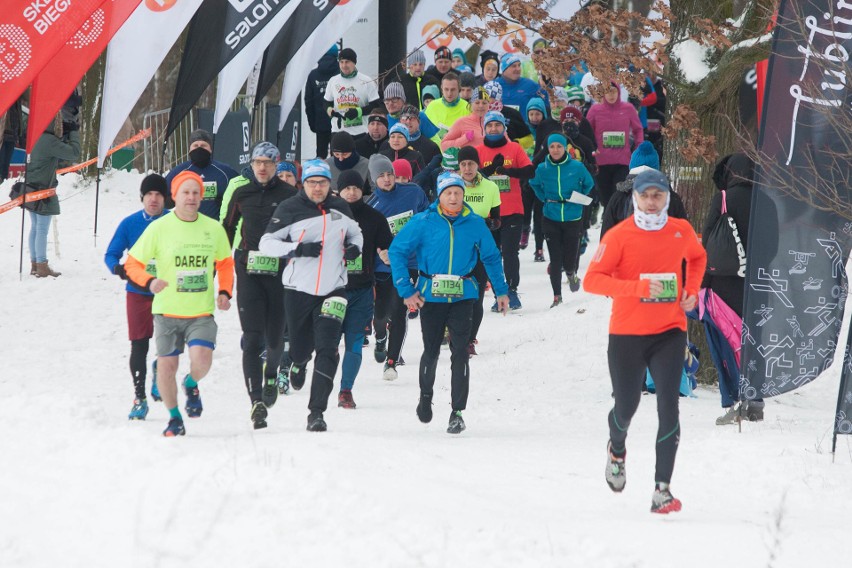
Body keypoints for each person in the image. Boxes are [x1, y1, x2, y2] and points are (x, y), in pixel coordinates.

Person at [583, 168, 706, 514]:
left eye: (658, 195)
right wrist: (636, 288)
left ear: (667, 197)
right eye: (645, 196)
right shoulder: (619, 235)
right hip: (627, 335)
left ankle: (661, 490)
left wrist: (691, 291)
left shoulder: (680, 231)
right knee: (627, 406)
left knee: (669, 407)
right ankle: (617, 449)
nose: (652, 203)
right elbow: (592, 280)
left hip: (669, 331)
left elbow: (697, 258)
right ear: (634, 197)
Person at [389, 172, 509, 434]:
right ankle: (425, 396)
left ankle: (457, 412)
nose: (453, 197)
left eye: (457, 193)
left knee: (460, 351)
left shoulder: (475, 223)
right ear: (439, 196)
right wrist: (406, 289)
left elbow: (490, 257)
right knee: (431, 350)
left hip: (463, 295)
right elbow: (397, 250)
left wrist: (501, 291)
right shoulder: (423, 221)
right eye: (448, 193)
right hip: (430, 295)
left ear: (463, 195)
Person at [124, 171, 235, 437]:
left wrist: (225, 291)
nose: (191, 197)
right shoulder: (159, 228)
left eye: (196, 193)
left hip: (200, 312)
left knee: (202, 360)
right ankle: (174, 417)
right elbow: (132, 263)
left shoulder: (213, 228)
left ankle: (191, 382)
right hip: (166, 312)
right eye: (186, 192)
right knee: (166, 366)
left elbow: (225, 262)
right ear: (174, 196)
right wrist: (149, 281)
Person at [259, 160, 363, 432]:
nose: (317, 188)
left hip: (334, 290)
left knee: (328, 349)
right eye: (312, 182)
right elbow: (266, 244)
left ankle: (316, 412)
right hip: (298, 290)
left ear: (330, 184)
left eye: (323, 183)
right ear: (302, 184)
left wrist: (354, 247)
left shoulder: (340, 207)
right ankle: (299, 362)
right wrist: (298, 249)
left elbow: (356, 233)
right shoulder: (290, 209)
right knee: (301, 348)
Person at [221, 141, 299, 430]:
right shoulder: (242, 193)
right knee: (253, 339)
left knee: (276, 339)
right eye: (258, 162)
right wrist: (220, 269)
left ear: (277, 165)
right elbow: (226, 232)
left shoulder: (291, 195)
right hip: (249, 272)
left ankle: (272, 374)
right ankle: (256, 402)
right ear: (251, 165)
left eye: (268, 162)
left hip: (280, 276)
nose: (263, 167)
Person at [702, 153, 769, 425]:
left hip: (725, 282)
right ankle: (756, 399)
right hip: (757, 282)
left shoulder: (723, 198)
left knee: (729, 339)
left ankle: (735, 399)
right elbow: (774, 243)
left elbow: (708, 237)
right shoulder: (767, 200)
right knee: (754, 339)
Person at [104, 174, 170, 420]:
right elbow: (111, 254)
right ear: (142, 198)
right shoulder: (130, 223)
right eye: (149, 195)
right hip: (138, 292)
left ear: (165, 198)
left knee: (170, 343)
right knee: (139, 345)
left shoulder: (173, 221)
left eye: (158, 195)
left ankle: (160, 369)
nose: (153, 199)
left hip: (167, 290)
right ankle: (139, 397)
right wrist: (119, 269)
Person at [367, 154, 431, 380]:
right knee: (381, 313)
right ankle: (381, 335)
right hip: (383, 267)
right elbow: (367, 237)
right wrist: (380, 251)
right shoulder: (371, 205)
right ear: (374, 180)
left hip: (410, 263)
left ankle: (392, 361)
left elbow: (428, 215)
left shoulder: (413, 192)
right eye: (381, 176)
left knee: (399, 310)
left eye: (389, 174)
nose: (386, 179)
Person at [334, 169, 393, 409]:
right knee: (327, 343)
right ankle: (323, 381)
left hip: (362, 291)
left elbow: (387, 246)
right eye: (347, 188)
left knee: (355, 341)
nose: (351, 192)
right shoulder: (328, 216)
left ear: (362, 190)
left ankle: (346, 390)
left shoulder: (374, 217)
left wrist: (387, 254)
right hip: (331, 290)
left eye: (356, 188)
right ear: (339, 190)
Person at [476, 111, 534, 310]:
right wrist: (492, 168)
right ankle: (498, 294)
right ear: (484, 128)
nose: (493, 129)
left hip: (512, 209)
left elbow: (530, 171)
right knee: (491, 255)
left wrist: (508, 171)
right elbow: (473, 178)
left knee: (510, 252)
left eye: (497, 125)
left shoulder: (514, 148)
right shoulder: (478, 150)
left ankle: (511, 290)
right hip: (488, 212)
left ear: (504, 128)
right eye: (490, 125)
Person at [529, 133, 595, 307]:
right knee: (556, 259)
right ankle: (556, 296)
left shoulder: (577, 166)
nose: (556, 150)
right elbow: (533, 183)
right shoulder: (542, 168)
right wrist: (543, 196)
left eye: (559, 146)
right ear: (548, 149)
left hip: (573, 216)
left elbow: (588, 183)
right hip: (551, 216)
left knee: (569, 258)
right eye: (552, 147)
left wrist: (579, 197)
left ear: (565, 147)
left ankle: (572, 273)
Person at [458, 146, 501, 354]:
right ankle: (452, 331)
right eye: (463, 164)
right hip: (455, 249)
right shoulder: (452, 186)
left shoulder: (491, 187)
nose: (467, 168)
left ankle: (470, 340)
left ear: (478, 165)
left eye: (471, 164)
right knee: (456, 294)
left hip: (481, 249)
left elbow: (497, 218)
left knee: (476, 297)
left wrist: (492, 224)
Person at [26, 113, 81, 278]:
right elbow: (74, 153)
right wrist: (74, 133)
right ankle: (42, 265)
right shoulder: (48, 141)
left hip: (31, 188)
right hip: (44, 191)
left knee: (35, 227)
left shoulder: (35, 138)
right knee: (42, 228)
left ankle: (35, 264)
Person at [600, 142, 688, 238]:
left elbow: (607, 234)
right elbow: (683, 232)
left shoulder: (619, 196)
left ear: (632, 167)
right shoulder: (670, 197)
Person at [586, 82, 644, 208]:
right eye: (608, 91)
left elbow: (638, 129)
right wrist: (591, 150)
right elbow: (587, 131)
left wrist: (638, 147)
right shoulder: (595, 110)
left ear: (619, 92)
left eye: (614, 91)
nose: (611, 95)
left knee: (618, 197)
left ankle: (617, 224)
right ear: (603, 93)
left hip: (622, 161)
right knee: (606, 200)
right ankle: (608, 225)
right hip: (601, 162)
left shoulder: (628, 109)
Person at [165, 129, 239, 219]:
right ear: (189, 149)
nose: (199, 148)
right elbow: (162, 199)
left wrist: (227, 201)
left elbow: (242, 194)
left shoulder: (225, 172)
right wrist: (174, 199)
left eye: (203, 145)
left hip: (216, 226)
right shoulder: (178, 172)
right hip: (188, 226)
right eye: (195, 145)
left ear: (210, 149)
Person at [324, 47, 381, 137]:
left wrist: (357, 112)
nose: (344, 66)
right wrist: (330, 111)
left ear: (354, 63)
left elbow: (376, 104)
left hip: (361, 132)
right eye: (341, 62)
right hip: (338, 131)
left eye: (347, 62)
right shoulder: (333, 81)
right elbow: (326, 102)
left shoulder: (366, 80)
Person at [304, 45, 340, 158]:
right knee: (338, 155)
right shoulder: (341, 73)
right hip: (340, 122)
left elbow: (308, 102)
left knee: (321, 156)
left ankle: (319, 174)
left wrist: (313, 124)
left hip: (320, 123)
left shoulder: (313, 75)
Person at [424, 72, 471, 140]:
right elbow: (424, 131)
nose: (449, 93)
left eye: (453, 89)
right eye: (446, 89)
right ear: (441, 89)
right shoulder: (432, 106)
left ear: (459, 89)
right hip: (434, 149)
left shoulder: (468, 108)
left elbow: (472, 135)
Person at [441, 85, 489, 150]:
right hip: (469, 159)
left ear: (489, 105)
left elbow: (506, 145)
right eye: (477, 103)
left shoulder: (493, 123)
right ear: (471, 104)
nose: (481, 106)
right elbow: (444, 145)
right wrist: (464, 139)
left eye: (484, 103)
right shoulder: (462, 122)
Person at [0, 98, 24, 180]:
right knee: (1, 164)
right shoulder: (6, 94)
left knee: (5, 166)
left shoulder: (17, 99)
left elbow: (19, 117)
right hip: (3, 134)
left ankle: (2, 187)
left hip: (12, 136)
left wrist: (19, 134)